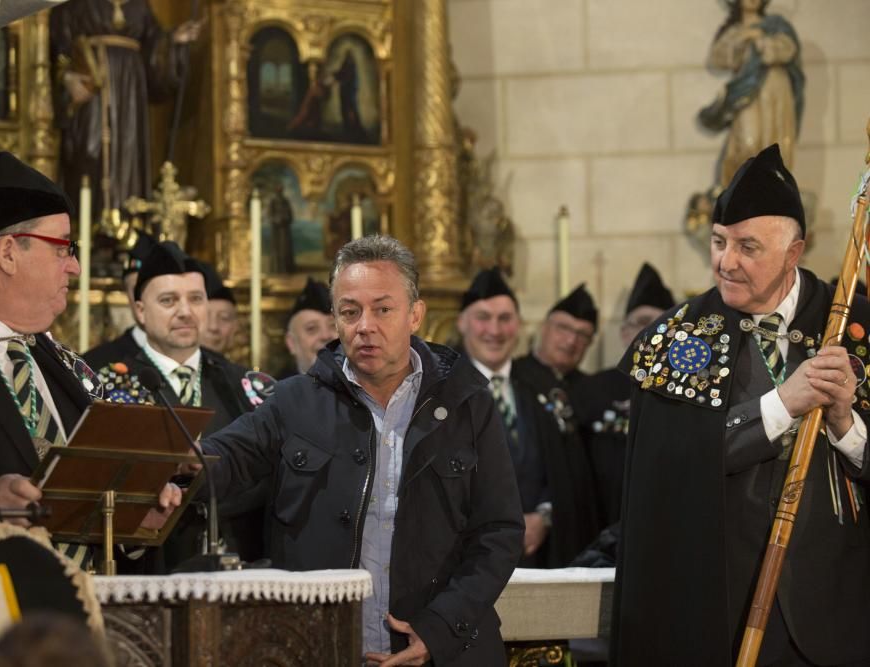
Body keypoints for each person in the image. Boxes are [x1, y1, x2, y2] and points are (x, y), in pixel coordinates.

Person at [201, 235, 523, 665]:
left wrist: (440, 630)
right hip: (322, 647)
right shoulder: (295, 400)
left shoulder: (468, 403)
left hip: (444, 651)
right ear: (335, 319)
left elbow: (499, 532)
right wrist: (173, 469)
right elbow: (225, 457)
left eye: (382, 309)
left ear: (415, 315)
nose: (364, 325)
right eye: (350, 312)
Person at [612, 144, 870, 667]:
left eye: (748, 247)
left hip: (843, 611)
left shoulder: (852, 324)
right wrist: (782, 404)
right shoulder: (677, 337)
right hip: (719, 613)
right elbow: (669, 468)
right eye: (718, 242)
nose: (725, 262)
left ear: (793, 252)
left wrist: (845, 423)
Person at [0, 146, 180, 566]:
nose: (75, 267)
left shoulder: (64, 365)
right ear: (8, 253)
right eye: (63, 247)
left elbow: (90, 503)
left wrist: (136, 516)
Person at [92, 241, 267, 565]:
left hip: (237, 564)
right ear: (141, 310)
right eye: (169, 300)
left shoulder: (241, 384)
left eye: (196, 299)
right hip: (149, 567)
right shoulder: (102, 384)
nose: (185, 312)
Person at [458, 268, 600, 567]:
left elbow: (567, 471)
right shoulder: (441, 389)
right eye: (483, 317)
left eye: (505, 319)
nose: (494, 331)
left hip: (541, 557)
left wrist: (544, 516)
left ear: (519, 326)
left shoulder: (543, 386)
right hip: (466, 561)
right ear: (462, 323)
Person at [49, 0, 202, 216]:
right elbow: (55, 45)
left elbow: (153, 47)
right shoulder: (75, 4)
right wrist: (66, 77)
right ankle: (87, 231)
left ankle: (128, 227)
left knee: (128, 155)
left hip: (130, 92)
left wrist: (173, 39)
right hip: (92, 86)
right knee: (89, 151)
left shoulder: (140, 6)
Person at [572, 263, 675, 528]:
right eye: (642, 322)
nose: (652, 331)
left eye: (663, 323)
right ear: (624, 332)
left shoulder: (686, 393)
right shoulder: (591, 389)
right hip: (597, 521)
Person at [698, 0, 804, 188]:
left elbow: (789, 49)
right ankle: (742, 193)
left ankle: (775, 191)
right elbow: (719, 58)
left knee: (777, 144)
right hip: (747, 95)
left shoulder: (775, 25)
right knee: (748, 143)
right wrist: (742, 38)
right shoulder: (735, 31)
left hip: (776, 89)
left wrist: (761, 39)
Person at [81, 233, 158, 369]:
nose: (146, 299)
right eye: (138, 290)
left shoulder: (203, 361)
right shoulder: (96, 364)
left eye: (159, 292)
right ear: (127, 294)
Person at [278, 277, 336, 378]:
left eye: (333, 326)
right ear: (291, 343)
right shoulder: (278, 392)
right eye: (312, 329)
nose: (326, 335)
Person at [200, 268, 240, 355]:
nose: (213, 327)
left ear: (235, 328)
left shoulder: (241, 369)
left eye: (224, 318)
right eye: (205, 316)